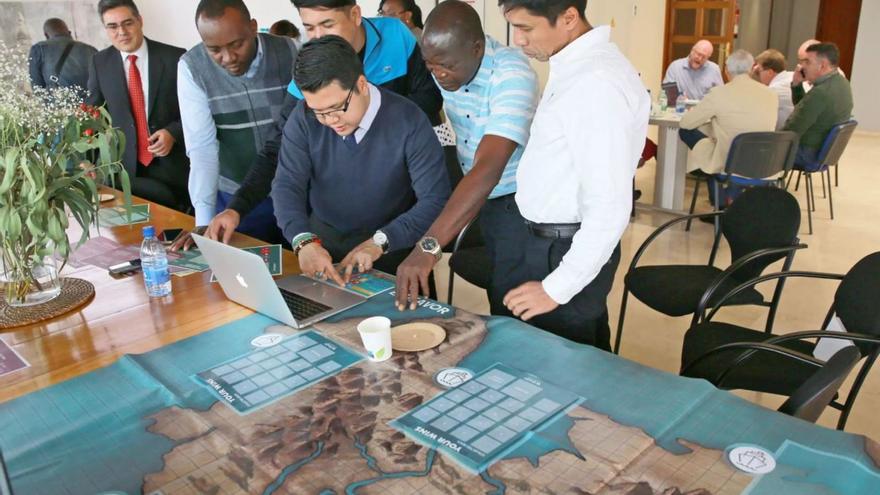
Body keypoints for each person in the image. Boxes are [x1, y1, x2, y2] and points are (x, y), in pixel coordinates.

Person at [193, 0, 443, 249]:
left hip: (397, 219)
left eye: (327, 24)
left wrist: (379, 137)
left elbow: (430, 99)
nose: (317, 37)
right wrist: (237, 207)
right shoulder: (309, 84)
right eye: (309, 28)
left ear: (355, 15)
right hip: (331, 223)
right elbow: (277, 152)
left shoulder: (396, 38)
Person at [498, 0, 650, 349]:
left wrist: (557, 287)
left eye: (526, 28)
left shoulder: (596, 82)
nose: (518, 40)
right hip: (547, 241)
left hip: (565, 247)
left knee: (565, 366)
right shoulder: (574, 64)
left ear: (568, 17)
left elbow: (609, 204)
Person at [394, 0, 538, 312]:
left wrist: (428, 247)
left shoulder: (512, 75)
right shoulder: (443, 63)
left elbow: (488, 168)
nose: (439, 75)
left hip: (520, 200)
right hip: (483, 196)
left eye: (446, 65)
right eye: (431, 65)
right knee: (499, 283)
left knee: (511, 297)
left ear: (476, 48)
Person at [272, 36, 450, 286]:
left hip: (394, 250)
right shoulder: (303, 118)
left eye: (337, 107)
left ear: (362, 84)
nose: (330, 120)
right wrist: (303, 241)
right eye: (319, 112)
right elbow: (286, 185)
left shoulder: (409, 120)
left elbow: (435, 199)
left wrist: (380, 242)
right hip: (324, 247)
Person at [173, 0, 298, 249]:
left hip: (295, 193)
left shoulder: (290, 51)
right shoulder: (191, 67)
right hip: (236, 200)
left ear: (253, 27)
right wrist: (204, 221)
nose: (228, 58)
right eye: (214, 50)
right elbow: (202, 149)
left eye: (237, 44)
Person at [87, 0, 190, 211]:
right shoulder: (100, 63)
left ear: (140, 21)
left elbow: (195, 110)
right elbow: (91, 116)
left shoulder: (175, 57)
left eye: (128, 23)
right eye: (112, 26)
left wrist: (173, 132)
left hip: (172, 168)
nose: (122, 32)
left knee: (177, 233)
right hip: (123, 171)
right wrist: (86, 160)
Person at [679, 50, 778, 175]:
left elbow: (685, 123)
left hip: (729, 160)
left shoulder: (718, 93)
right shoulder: (771, 94)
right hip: (762, 161)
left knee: (686, 131)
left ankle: (710, 177)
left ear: (726, 70)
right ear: (752, 69)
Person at [784, 42, 853, 169]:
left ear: (822, 66)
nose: (802, 66)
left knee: (757, 149)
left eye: (807, 62)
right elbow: (806, 107)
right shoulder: (842, 83)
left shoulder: (820, 93)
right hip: (824, 151)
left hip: (808, 153)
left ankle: (756, 188)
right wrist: (797, 84)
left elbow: (792, 130)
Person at [29, 18, 96, 91]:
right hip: (92, 101)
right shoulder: (91, 50)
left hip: (59, 100)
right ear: (69, 33)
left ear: (46, 35)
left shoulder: (39, 49)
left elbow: (37, 87)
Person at [752, 48, 794, 130]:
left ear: (770, 72)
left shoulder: (774, 90)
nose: (758, 75)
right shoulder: (792, 76)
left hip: (781, 136)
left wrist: (751, 75)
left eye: (759, 71)